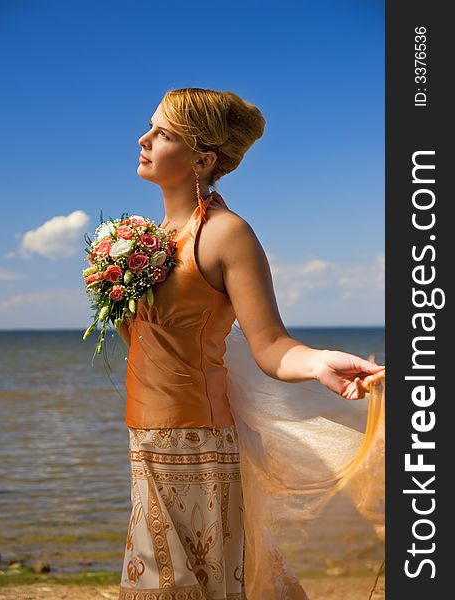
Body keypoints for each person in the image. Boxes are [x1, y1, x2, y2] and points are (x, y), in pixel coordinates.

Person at [116, 87, 385, 600]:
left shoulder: (226, 234)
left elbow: (271, 344)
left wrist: (321, 362)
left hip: (198, 444)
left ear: (203, 158)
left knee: (199, 585)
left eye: (162, 133)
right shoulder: (149, 238)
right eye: (150, 127)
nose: (143, 139)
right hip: (146, 438)